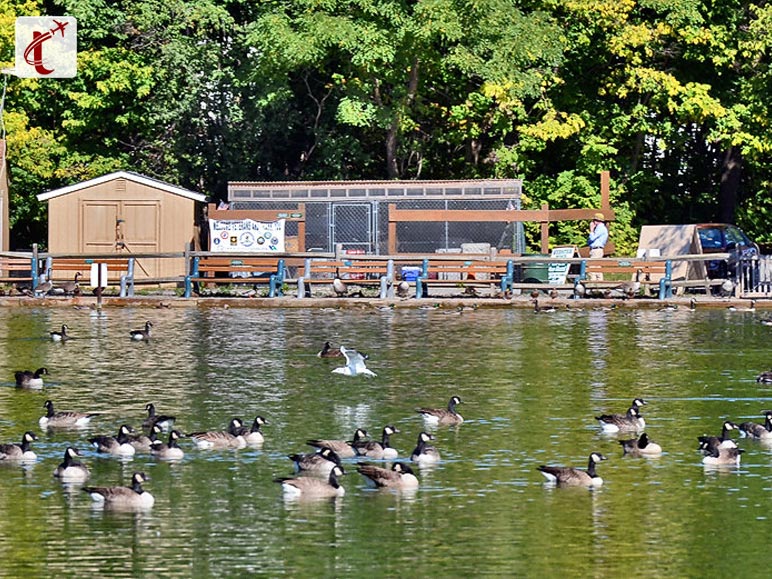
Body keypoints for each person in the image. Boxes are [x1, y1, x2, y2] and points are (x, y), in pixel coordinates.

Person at [587, 212, 609, 280]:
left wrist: (591, 230)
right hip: (597, 250)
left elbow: (592, 238)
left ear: (597, 221)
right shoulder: (601, 228)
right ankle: (600, 285)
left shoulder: (600, 228)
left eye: (594, 220)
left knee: (592, 269)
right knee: (597, 269)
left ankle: (592, 285)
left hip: (596, 250)